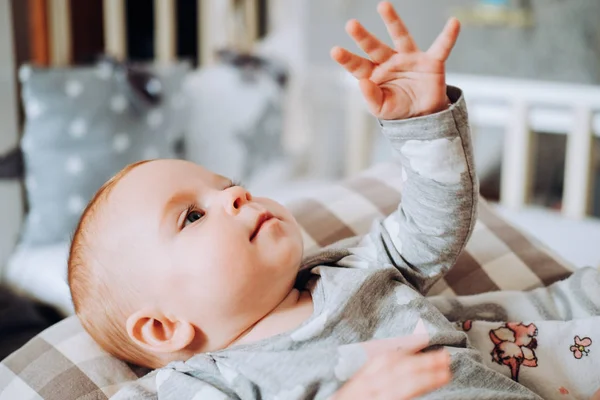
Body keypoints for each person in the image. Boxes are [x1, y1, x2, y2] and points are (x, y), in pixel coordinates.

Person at [68, 2, 541, 399]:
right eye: (192, 215)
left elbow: (432, 226)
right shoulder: (203, 381)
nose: (234, 194)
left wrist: (422, 121)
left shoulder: (348, 271)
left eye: (227, 183)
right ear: (161, 328)